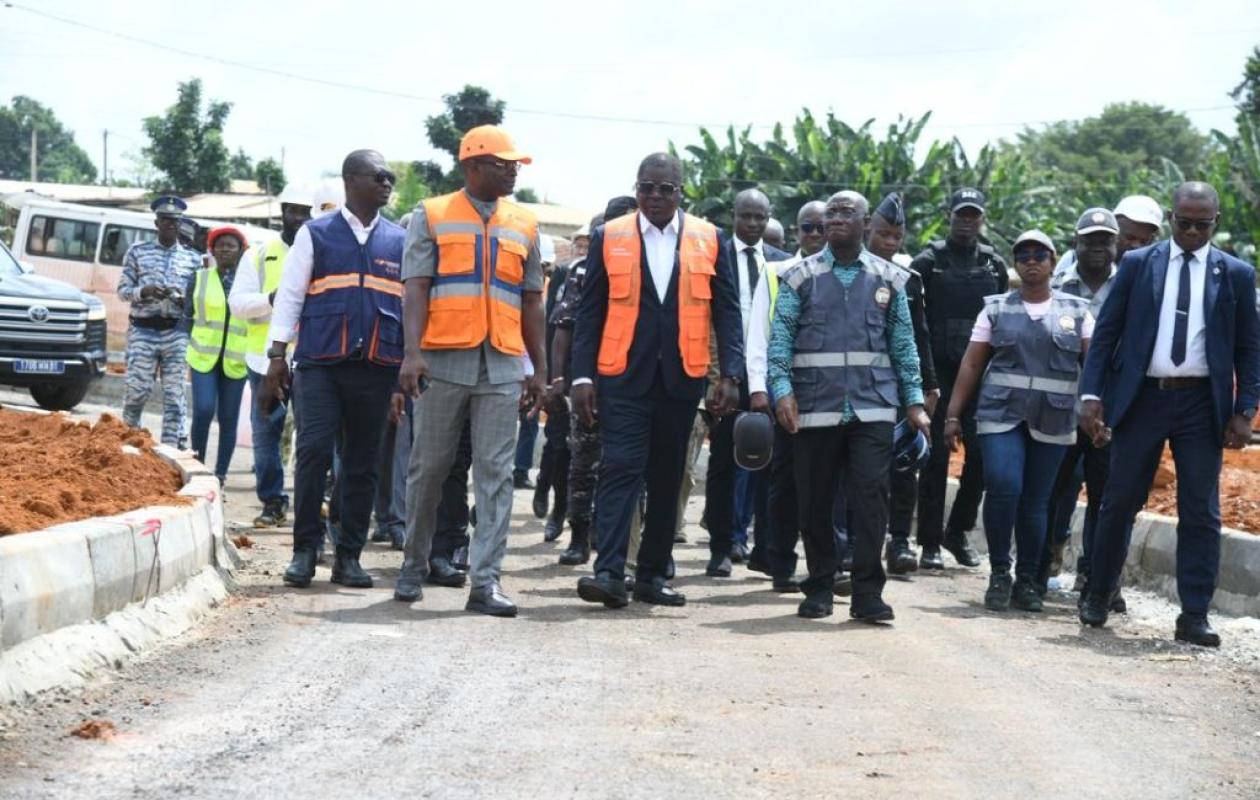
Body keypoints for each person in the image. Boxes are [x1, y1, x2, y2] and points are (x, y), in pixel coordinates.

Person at [1079, 182, 1260, 647]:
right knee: (1119, 500)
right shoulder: (1140, 265)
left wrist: (1245, 410)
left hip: (1202, 405)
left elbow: (1248, 347)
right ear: (1171, 218)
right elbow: (1107, 335)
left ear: (1215, 222)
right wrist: (1091, 395)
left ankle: (1194, 615)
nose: (1194, 231)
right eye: (1185, 223)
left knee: (1201, 511)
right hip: (1143, 398)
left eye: (1204, 224)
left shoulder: (1235, 274)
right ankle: (1098, 593)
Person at [571, 152, 742, 608]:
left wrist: (730, 374)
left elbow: (727, 311)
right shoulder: (610, 236)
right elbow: (590, 313)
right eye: (647, 187)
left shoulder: (711, 238)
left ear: (680, 192)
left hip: (682, 379)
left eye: (666, 188)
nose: (655, 196)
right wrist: (581, 375)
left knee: (668, 479)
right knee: (621, 468)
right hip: (622, 377)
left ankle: (650, 575)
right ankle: (608, 572)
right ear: (637, 188)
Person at [394, 125, 546, 618]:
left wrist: (539, 369)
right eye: (504, 163)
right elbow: (415, 287)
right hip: (442, 359)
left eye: (515, 164)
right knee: (430, 468)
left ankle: (486, 581)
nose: (513, 170)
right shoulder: (433, 214)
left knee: (497, 475)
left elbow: (532, 301)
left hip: (501, 362)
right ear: (473, 165)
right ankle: (413, 567)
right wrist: (412, 354)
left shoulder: (525, 223)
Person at [768, 190, 929, 622]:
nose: (837, 218)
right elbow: (780, 337)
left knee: (871, 500)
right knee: (815, 503)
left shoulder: (889, 279)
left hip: (872, 407)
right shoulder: (798, 277)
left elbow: (903, 344)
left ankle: (867, 594)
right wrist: (781, 388)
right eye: (832, 212)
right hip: (814, 407)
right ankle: (819, 585)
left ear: (866, 225)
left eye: (848, 212)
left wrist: (913, 400)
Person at [263, 149, 405, 590]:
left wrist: (403, 372)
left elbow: (409, 304)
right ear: (351, 181)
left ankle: (349, 556)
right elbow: (290, 295)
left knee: (362, 464)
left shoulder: (399, 241)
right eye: (379, 175)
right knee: (314, 453)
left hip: (377, 366)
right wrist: (276, 356)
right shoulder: (316, 234)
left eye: (390, 177)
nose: (388, 183)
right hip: (320, 363)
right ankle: (305, 550)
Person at [943, 230, 1093, 612]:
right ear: (1015, 262)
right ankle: (999, 572)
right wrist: (953, 415)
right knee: (1004, 486)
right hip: (1000, 413)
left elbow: (1092, 367)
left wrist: (1097, 411)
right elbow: (972, 363)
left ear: (1053, 259)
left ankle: (1027, 579)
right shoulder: (995, 308)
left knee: (1036, 501)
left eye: (1039, 254)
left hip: (1055, 417)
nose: (1030, 260)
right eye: (1023, 254)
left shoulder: (1077, 311)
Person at [913, 188, 1008, 569]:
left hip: (981, 376)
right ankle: (930, 543)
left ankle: (958, 532)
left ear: (982, 218)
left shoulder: (993, 265)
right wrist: (924, 380)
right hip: (938, 374)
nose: (967, 221)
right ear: (949, 215)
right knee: (935, 459)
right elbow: (913, 324)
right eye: (961, 214)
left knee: (983, 459)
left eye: (974, 215)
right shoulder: (928, 262)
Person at [703, 188, 791, 578]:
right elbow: (715, 321)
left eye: (760, 217)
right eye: (746, 216)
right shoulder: (714, 256)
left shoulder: (783, 263)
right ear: (733, 217)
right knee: (724, 463)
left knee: (773, 467)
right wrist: (725, 375)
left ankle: (765, 550)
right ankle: (721, 547)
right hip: (728, 380)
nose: (753, 224)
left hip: (772, 378)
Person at [548, 202, 634, 566]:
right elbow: (564, 328)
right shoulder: (582, 271)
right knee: (583, 461)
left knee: (630, 466)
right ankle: (578, 536)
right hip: (592, 382)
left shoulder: (654, 266)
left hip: (635, 381)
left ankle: (621, 543)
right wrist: (559, 378)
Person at [1041, 209, 1120, 603]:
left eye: (1105, 240)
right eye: (1089, 239)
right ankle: (1038, 571)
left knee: (1106, 497)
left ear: (1115, 245)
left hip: (1110, 411)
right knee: (1053, 491)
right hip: (1061, 407)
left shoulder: (1130, 285)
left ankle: (1097, 579)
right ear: (1077, 242)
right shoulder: (1056, 285)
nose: (1097, 247)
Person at [749, 200, 826, 592]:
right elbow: (759, 334)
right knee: (785, 482)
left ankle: (826, 566)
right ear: (796, 232)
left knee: (829, 483)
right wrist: (761, 389)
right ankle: (780, 563)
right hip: (787, 392)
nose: (814, 235)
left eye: (821, 228)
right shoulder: (777, 272)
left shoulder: (842, 273)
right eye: (807, 228)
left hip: (830, 394)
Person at [228, 183, 314, 528]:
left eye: (306, 212)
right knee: (265, 434)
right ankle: (273, 500)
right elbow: (238, 304)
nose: (300, 218)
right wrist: (272, 300)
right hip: (263, 361)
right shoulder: (260, 254)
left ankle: (316, 500)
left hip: (311, 361)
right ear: (283, 213)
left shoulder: (323, 252)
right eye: (294, 211)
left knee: (312, 436)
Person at [864, 193, 939, 574]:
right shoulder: (852, 273)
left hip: (899, 386)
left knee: (905, 462)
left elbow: (920, 335)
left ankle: (898, 541)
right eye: (883, 235)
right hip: (860, 386)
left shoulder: (909, 281)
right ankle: (862, 542)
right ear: (867, 230)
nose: (890, 243)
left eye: (897, 236)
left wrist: (929, 385)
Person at [117, 196, 203, 447]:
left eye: (175, 221)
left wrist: (181, 299)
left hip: (175, 332)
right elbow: (123, 291)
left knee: (175, 397)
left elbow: (198, 299)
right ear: (156, 223)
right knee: (137, 392)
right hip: (143, 330)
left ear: (180, 224)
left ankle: (170, 450)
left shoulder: (193, 259)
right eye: (165, 220)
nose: (170, 225)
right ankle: (129, 443)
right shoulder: (138, 252)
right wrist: (144, 292)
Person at [184, 226, 250, 486]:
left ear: (240, 250)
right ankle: (197, 466)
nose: (224, 249)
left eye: (230, 245)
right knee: (202, 409)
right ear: (211, 249)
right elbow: (187, 315)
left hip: (235, 359)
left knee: (228, 418)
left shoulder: (249, 283)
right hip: (203, 357)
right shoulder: (199, 277)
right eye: (220, 244)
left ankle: (220, 474)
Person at [1054, 194, 1163, 279]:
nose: (1136, 246)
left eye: (1144, 241)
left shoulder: (1151, 271)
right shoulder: (1073, 260)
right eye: (1130, 238)